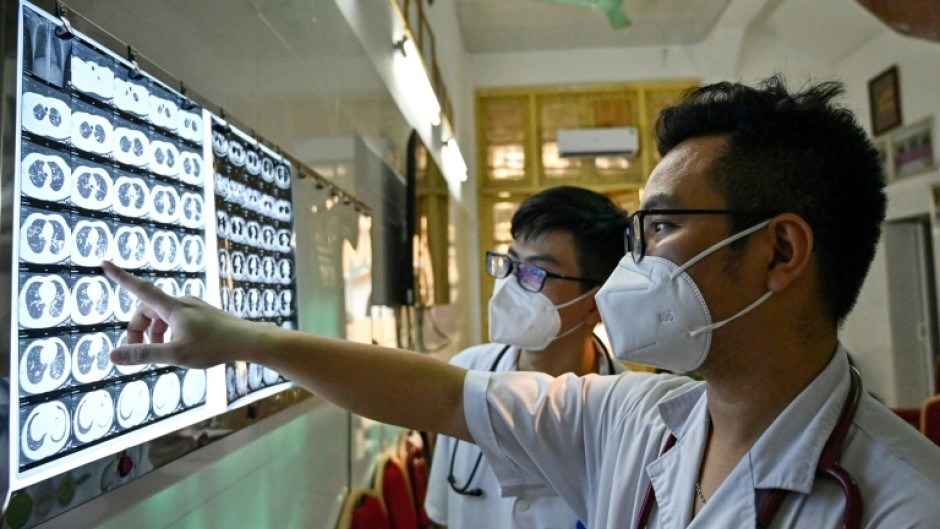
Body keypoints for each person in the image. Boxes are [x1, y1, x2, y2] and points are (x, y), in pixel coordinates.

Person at [104, 75, 940, 528]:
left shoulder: (908, 501)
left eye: (662, 226)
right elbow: (439, 391)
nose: (633, 263)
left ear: (779, 251)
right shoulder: (641, 414)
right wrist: (240, 338)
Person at [425, 186, 628, 529]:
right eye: (510, 262)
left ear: (595, 304)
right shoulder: (464, 374)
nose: (509, 284)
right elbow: (441, 517)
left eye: (535, 272)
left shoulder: (628, 412)